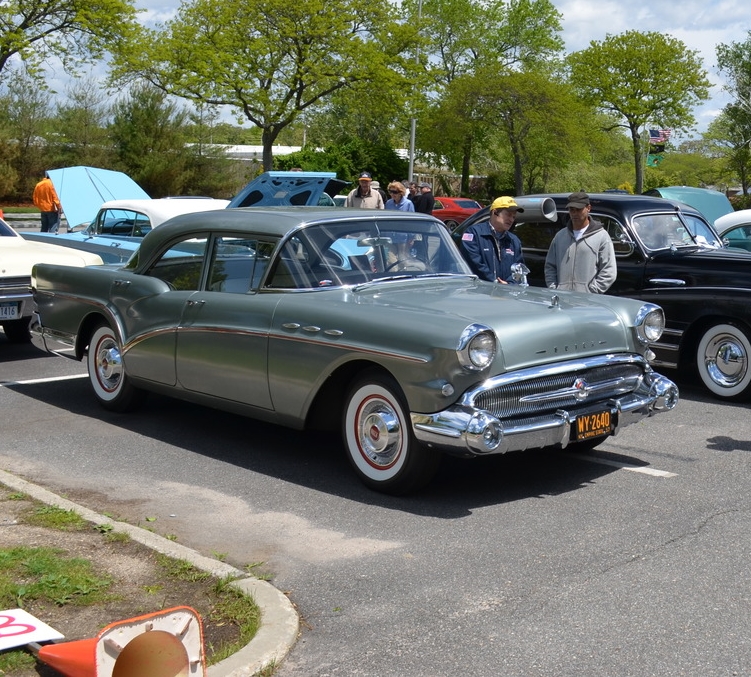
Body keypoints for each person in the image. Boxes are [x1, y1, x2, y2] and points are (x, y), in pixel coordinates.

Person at [544, 191, 616, 293]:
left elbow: (609, 271)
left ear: (588, 208)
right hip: (563, 300)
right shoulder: (560, 236)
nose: (574, 213)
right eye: (571, 210)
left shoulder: (601, 236)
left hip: (587, 303)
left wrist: (591, 291)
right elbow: (550, 266)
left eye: (578, 209)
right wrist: (555, 289)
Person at [460, 196, 525, 283]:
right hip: (480, 292)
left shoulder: (514, 240)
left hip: (506, 293)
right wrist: (494, 282)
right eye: (508, 215)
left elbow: (519, 267)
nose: (511, 220)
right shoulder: (473, 233)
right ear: (495, 212)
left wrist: (510, 283)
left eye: (513, 216)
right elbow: (474, 263)